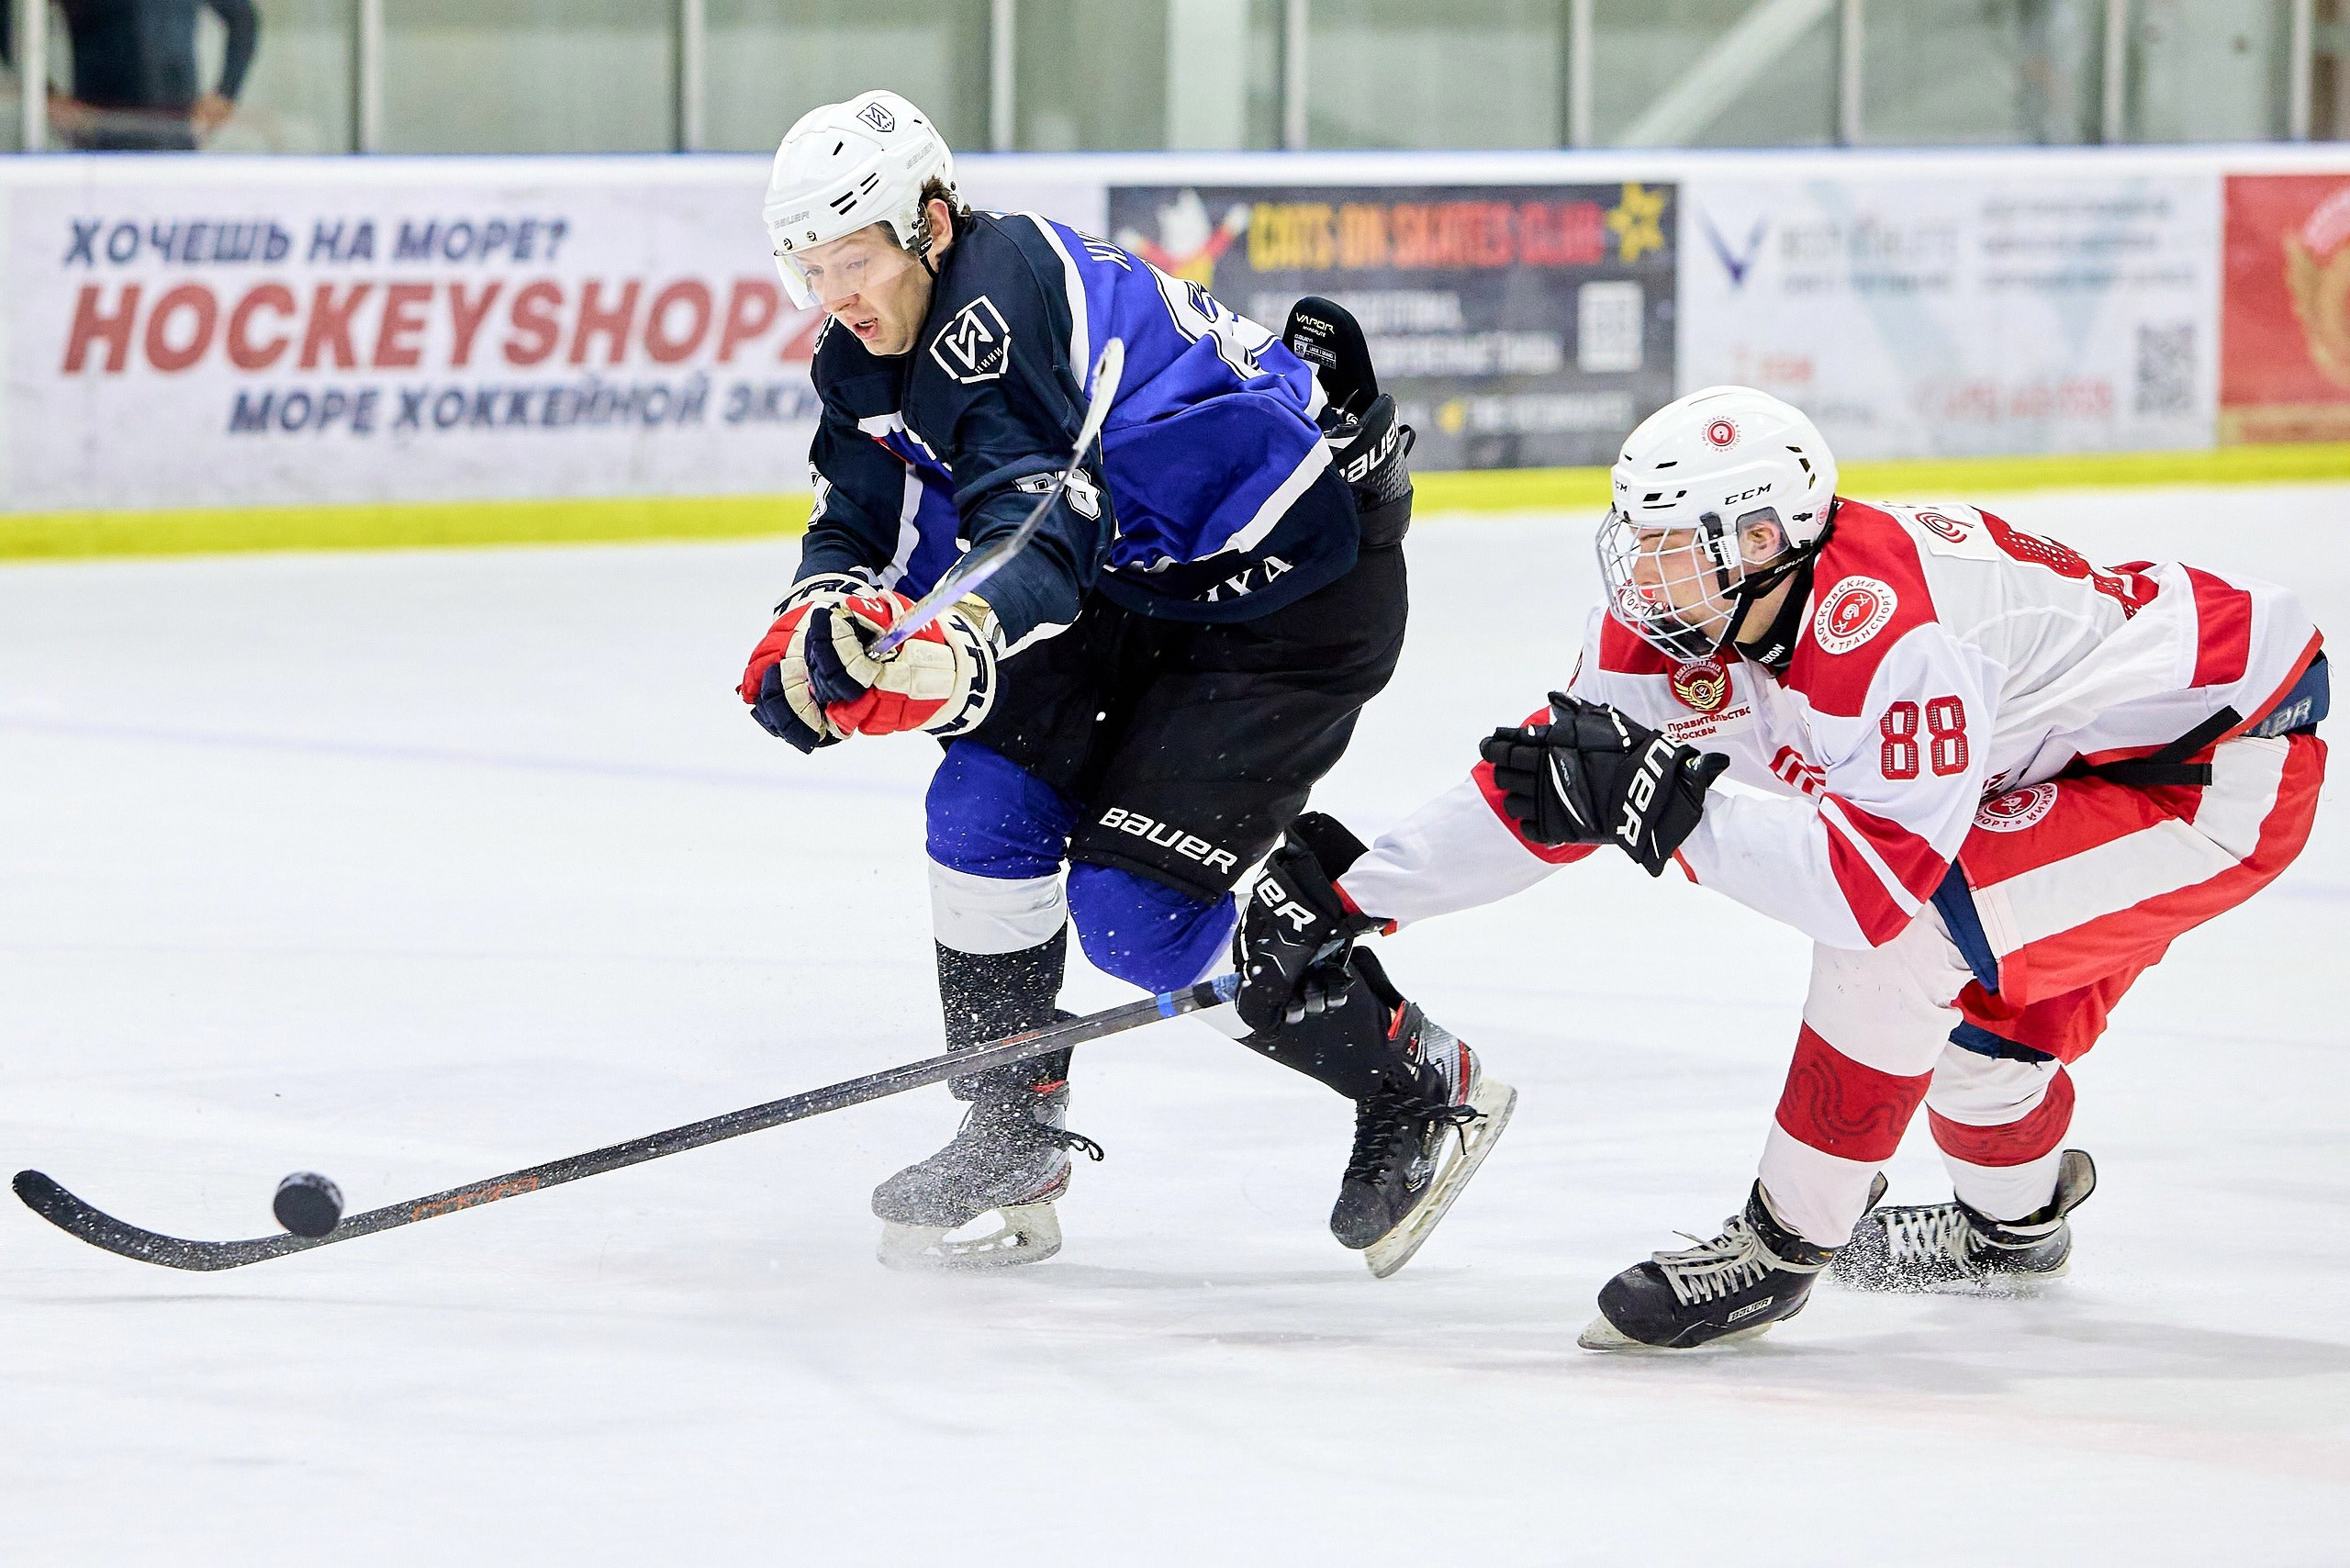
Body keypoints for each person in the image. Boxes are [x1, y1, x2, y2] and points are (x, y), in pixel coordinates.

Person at [1233, 385, 2326, 1349]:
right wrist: (1354, 898)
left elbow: (1867, 897)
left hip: (2212, 766)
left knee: (1910, 947)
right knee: (1978, 1056)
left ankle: (1781, 1244)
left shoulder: (1888, 633)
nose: (1639, 568)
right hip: (2055, 761)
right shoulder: (1674, 622)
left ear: (1762, 542)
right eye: (1636, 534)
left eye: (1671, 541)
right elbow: (1556, 790)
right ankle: (2015, 1234)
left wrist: (1670, 810)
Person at [737, 91, 1512, 1274]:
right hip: (1137, 582)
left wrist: (955, 646)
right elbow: (861, 522)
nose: (834, 296)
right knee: (981, 810)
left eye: (853, 260)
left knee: (1137, 921)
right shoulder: (867, 351)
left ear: (932, 226)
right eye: (809, 269)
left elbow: (1032, 527)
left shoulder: (996, 307)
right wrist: (812, 624)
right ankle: (1010, 1126)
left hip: (1292, 590)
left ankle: (1418, 1079)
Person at [1, 0, 258, 151]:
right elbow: (10, 17)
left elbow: (243, 19)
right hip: (98, 128)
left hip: (175, 128)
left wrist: (225, 93)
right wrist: (45, 96)